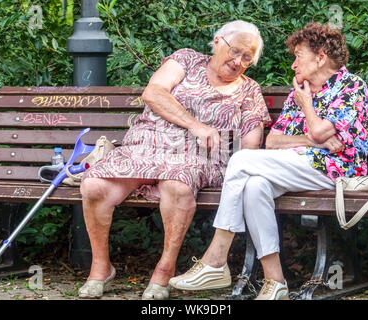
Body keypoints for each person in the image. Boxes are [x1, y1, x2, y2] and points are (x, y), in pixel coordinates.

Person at [169, 22, 368, 300]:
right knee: (254, 186)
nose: (293, 65)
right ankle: (275, 282)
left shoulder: (351, 87)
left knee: (241, 161)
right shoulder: (300, 91)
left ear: (320, 57)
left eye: (298, 55)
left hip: (336, 171)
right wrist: (315, 140)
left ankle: (216, 258)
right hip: (300, 165)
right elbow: (274, 142)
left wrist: (307, 109)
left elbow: (319, 130)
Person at [78, 20, 272, 300]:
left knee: (177, 184)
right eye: (236, 51)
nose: (239, 62)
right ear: (218, 41)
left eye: (247, 58)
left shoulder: (249, 90)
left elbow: (250, 146)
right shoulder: (187, 60)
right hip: (145, 147)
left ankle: (163, 272)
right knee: (94, 184)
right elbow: (154, 93)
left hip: (198, 159)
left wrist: (226, 147)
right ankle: (100, 267)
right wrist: (196, 125)